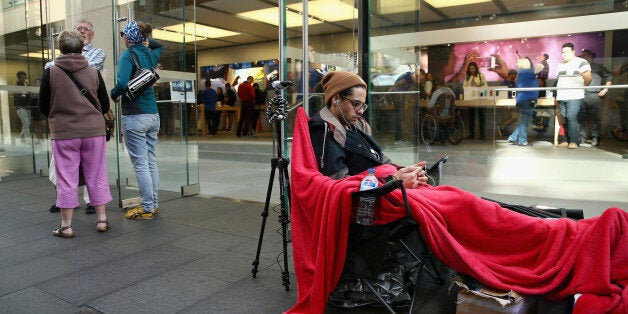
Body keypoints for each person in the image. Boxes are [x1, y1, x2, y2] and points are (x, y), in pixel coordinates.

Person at [38, 30, 112, 238]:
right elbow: (104, 104)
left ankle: (66, 226)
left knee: (66, 176)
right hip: (94, 132)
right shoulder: (93, 72)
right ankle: (102, 220)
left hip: (63, 133)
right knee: (96, 174)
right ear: (82, 48)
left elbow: (43, 106)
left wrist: (59, 117)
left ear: (60, 48)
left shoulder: (50, 73)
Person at [309, 70, 428, 188]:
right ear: (335, 99)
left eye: (363, 105)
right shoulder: (323, 130)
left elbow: (379, 158)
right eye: (356, 104)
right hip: (374, 197)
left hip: (383, 185)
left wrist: (408, 172)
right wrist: (394, 180)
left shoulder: (358, 125)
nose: (360, 111)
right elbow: (340, 185)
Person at [110, 21, 163, 220]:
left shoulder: (127, 55)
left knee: (141, 164)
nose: (122, 36)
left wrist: (114, 94)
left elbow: (122, 83)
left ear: (129, 37)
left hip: (135, 114)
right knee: (150, 162)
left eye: (124, 33)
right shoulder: (150, 53)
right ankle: (153, 205)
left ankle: (147, 208)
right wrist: (147, 39)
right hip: (153, 114)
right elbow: (160, 45)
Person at [555, 42, 592, 149]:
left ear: (573, 52)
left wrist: (579, 89)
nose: (564, 54)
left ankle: (574, 141)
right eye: (562, 52)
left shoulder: (581, 62)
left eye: (567, 52)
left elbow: (588, 78)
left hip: (574, 95)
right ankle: (566, 140)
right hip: (562, 95)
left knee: (571, 117)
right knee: (565, 118)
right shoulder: (561, 65)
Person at [578, 49, 612, 146]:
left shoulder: (598, 66)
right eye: (582, 55)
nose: (582, 57)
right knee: (581, 117)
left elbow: (609, 76)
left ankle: (595, 137)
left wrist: (605, 89)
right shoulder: (580, 67)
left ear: (590, 56)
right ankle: (582, 137)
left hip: (594, 95)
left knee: (594, 118)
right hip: (582, 94)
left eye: (584, 55)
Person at [508, 57, 542, 146]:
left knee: (526, 120)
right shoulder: (527, 72)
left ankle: (513, 137)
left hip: (526, 99)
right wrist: (542, 60)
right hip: (527, 99)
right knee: (524, 121)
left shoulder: (521, 73)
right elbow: (541, 67)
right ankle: (522, 140)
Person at [388, 67, 421, 145]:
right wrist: (390, 91)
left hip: (399, 97)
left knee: (400, 118)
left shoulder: (409, 76)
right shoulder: (408, 77)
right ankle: (398, 139)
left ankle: (400, 138)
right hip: (398, 98)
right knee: (400, 118)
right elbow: (396, 84)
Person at [462, 62, 488, 140]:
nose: (471, 70)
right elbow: (464, 86)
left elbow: (486, 85)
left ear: (476, 68)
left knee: (481, 117)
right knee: (471, 117)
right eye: (470, 68)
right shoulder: (467, 77)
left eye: (472, 68)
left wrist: (479, 87)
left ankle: (482, 135)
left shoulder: (480, 76)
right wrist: (469, 88)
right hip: (470, 98)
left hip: (480, 98)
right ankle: (472, 134)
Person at [498, 69, 519, 136]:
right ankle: (503, 132)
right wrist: (504, 104)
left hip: (513, 103)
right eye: (514, 75)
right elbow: (501, 94)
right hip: (505, 103)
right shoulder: (503, 84)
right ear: (511, 74)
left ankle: (501, 127)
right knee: (506, 118)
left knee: (515, 117)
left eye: (516, 75)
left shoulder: (514, 84)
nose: (515, 76)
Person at [14, 71, 31, 144]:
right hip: (20, 108)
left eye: (25, 77)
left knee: (28, 124)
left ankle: (22, 137)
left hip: (28, 107)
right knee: (26, 124)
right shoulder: (15, 86)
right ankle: (28, 140)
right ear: (18, 78)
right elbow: (18, 98)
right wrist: (24, 94)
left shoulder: (26, 86)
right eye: (22, 78)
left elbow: (29, 96)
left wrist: (26, 91)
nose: (24, 79)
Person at [30, 78, 46, 144]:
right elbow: (31, 98)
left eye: (39, 82)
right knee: (36, 124)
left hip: (42, 108)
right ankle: (38, 137)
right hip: (34, 108)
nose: (37, 83)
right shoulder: (32, 90)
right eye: (36, 82)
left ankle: (39, 136)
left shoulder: (43, 89)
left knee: (43, 123)